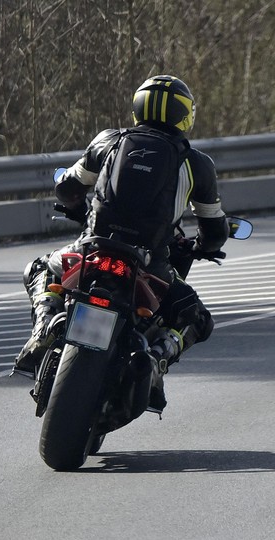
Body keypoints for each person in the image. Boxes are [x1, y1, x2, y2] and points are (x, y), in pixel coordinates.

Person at [13, 74, 229, 409]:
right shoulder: (196, 164)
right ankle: (158, 358)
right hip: (151, 263)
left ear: (138, 106)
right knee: (196, 317)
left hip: (92, 248)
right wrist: (204, 246)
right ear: (184, 114)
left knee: (41, 267)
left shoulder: (109, 141)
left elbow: (67, 189)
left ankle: (43, 330)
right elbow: (215, 230)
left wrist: (76, 207)